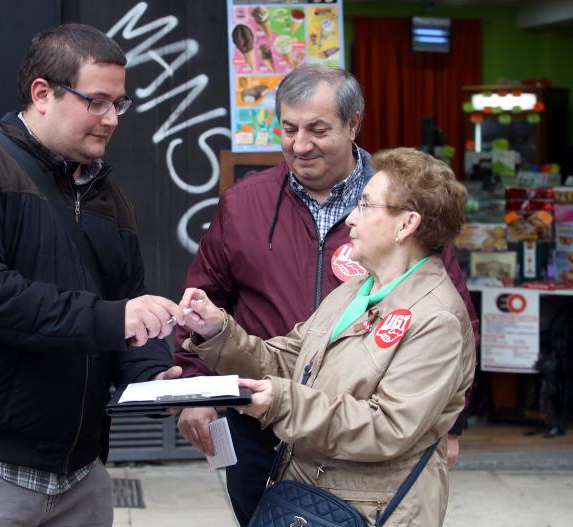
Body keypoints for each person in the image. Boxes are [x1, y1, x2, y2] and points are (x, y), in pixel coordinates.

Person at [0, 24, 186, 527]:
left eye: (119, 103)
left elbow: (124, 305)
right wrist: (113, 318)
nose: (112, 118)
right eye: (96, 101)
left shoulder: (107, 197)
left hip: (79, 473)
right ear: (43, 93)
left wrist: (156, 375)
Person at [173, 65, 479, 526]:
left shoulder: (432, 312)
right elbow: (289, 356)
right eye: (289, 129)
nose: (299, 144)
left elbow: (392, 422)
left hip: (368, 490)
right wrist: (217, 334)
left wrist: (449, 422)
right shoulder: (358, 289)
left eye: (317, 129)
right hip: (289, 455)